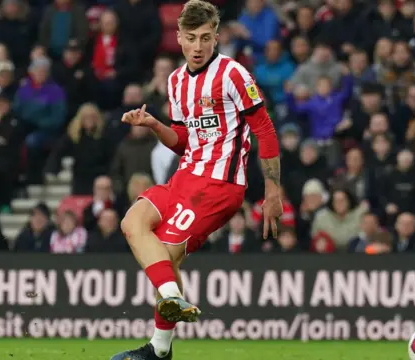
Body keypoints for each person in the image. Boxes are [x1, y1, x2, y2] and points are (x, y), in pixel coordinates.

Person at [111, 1, 283, 359]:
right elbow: (183, 139)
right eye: (191, 38)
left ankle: (159, 345)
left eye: (206, 38)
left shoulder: (233, 74)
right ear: (179, 38)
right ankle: (165, 330)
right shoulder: (175, 82)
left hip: (220, 186)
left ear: (217, 38)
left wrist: (272, 189)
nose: (199, 46)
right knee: (133, 222)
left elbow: (263, 129)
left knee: (166, 254)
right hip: (185, 177)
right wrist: (155, 125)